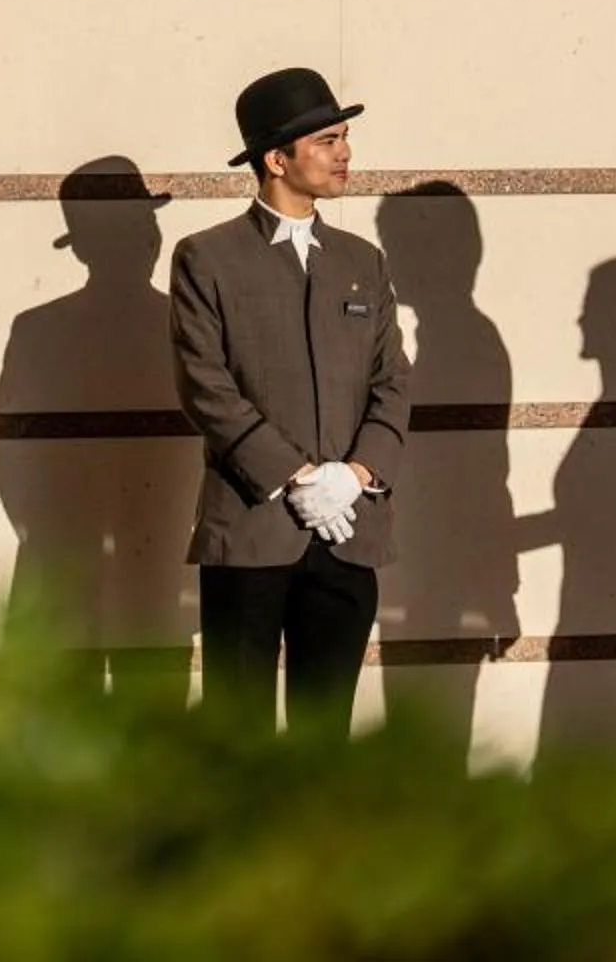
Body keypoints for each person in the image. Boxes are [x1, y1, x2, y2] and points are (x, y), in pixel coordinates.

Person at [168, 67, 411, 741]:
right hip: (251, 532)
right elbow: (204, 385)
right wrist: (297, 478)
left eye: (345, 138)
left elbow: (393, 382)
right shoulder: (207, 258)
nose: (345, 154)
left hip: (348, 532)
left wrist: (352, 477)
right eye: (327, 140)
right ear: (276, 159)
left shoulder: (363, 259)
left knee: (322, 736)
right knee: (235, 735)